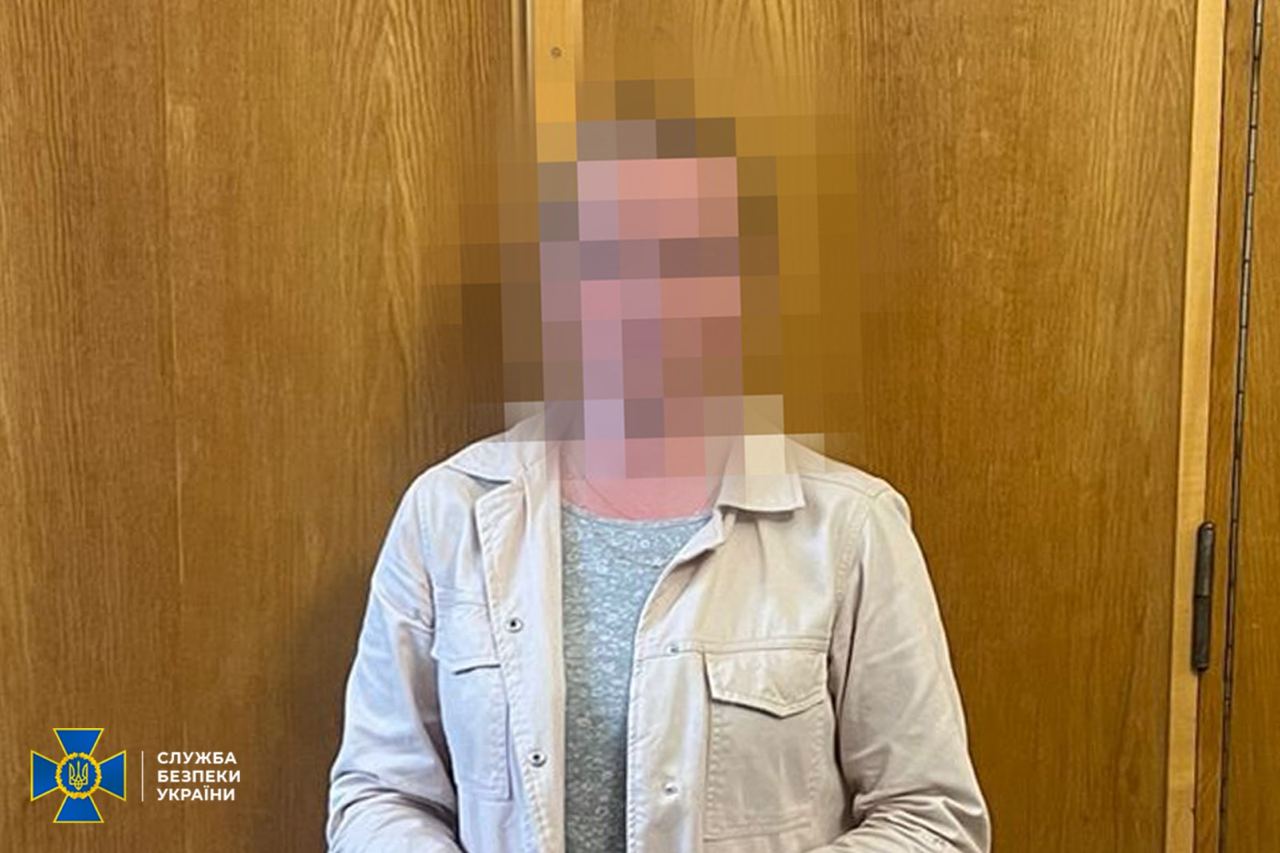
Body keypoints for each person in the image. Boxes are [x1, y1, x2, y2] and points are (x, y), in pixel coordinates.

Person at [327, 98, 990, 853]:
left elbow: (931, 816)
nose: (649, 293)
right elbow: (377, 792)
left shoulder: (850, 528)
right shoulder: (448, 513)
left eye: (692, 255)